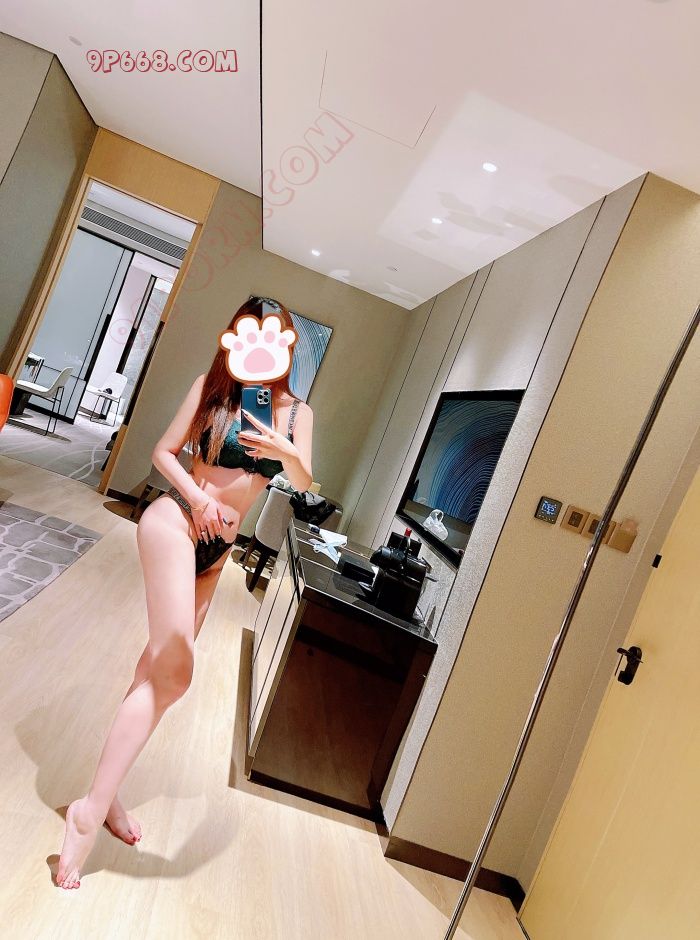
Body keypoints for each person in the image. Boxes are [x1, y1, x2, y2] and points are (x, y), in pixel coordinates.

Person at [56, 297, 313, 888]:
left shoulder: (297, 413)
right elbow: (162, 453)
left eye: (275, 338)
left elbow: (303, 481)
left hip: (217, 557)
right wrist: (198, 499)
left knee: (154, 672)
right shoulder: (212, 389)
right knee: (175, 671)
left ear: (286, 346)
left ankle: (106, 794)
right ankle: (86, 814)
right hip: (175, 519)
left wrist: (287, 452)